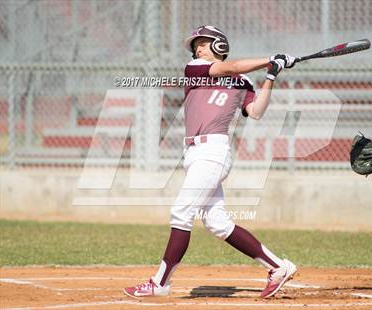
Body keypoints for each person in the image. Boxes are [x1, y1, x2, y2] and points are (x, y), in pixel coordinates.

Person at [124, 25, 297, 299]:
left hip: (213, 152)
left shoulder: (243, 82)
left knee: (181, 213)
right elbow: (231, 67)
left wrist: (271, 75)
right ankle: (278, 267)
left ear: (219, 45)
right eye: (197, 45)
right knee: (218, 223)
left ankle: (160, 283)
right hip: (195, 153)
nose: (198, 49)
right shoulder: (195, 68)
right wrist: (270, 59)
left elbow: (256, 112)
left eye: (203, 43)